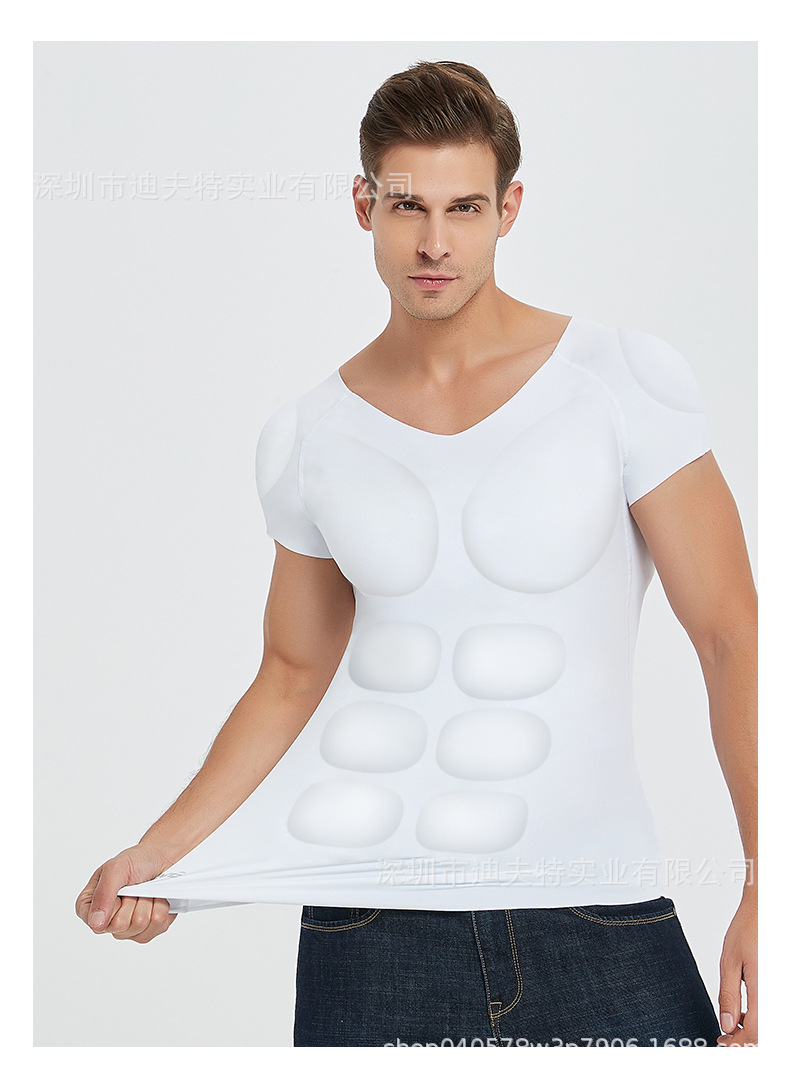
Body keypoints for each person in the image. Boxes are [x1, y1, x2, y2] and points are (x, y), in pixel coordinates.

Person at [76, 60, 757, 1048]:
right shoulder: (309, 435)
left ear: (508, 209)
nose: (435, 243)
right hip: (370, 928)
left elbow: (732, 636)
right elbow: (290, 672)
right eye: (407, 207)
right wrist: (158, 853)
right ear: (364, 206)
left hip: (597, 911)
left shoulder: (622, 383)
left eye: (463, 208)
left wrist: (767, 880)